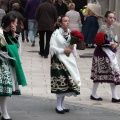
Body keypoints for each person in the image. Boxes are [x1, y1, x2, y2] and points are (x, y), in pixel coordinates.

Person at [50, 15, 81, 114]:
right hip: (59, 60)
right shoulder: (55, 34)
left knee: (67, 82)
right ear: (60, 23)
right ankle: (58, 105)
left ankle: (62, 105)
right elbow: (52, 47)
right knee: (60, 81)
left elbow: (73, 47)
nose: (67, 22)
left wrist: (73, 46)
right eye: (65, 21)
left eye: (68, 21)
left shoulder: (71, 33)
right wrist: (63, 50)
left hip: (69, 60)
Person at [0, 13, 27, 120]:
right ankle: (4, 112)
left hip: (7, 65)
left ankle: (4, 112)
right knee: (3, 90)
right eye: (15, 22)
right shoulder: (1, 33)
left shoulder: (11, 34)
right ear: (11, 23)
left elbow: (16, 49)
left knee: (5, 91)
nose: (16, 25)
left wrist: (13, 34)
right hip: (1, 65)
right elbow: (5, 48)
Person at [90, 11, 120, 103]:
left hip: (112, 53)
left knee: (113, 73)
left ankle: (114, 96)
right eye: (110, 17)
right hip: (102, 54)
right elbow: (98, 41)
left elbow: (116, 40)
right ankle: (93, 93)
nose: (112, 19)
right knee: (99, 74)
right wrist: (107, 43)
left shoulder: (115, 28)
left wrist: (116, 44)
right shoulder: (102, 28)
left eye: (113, 18)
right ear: (106, 18)